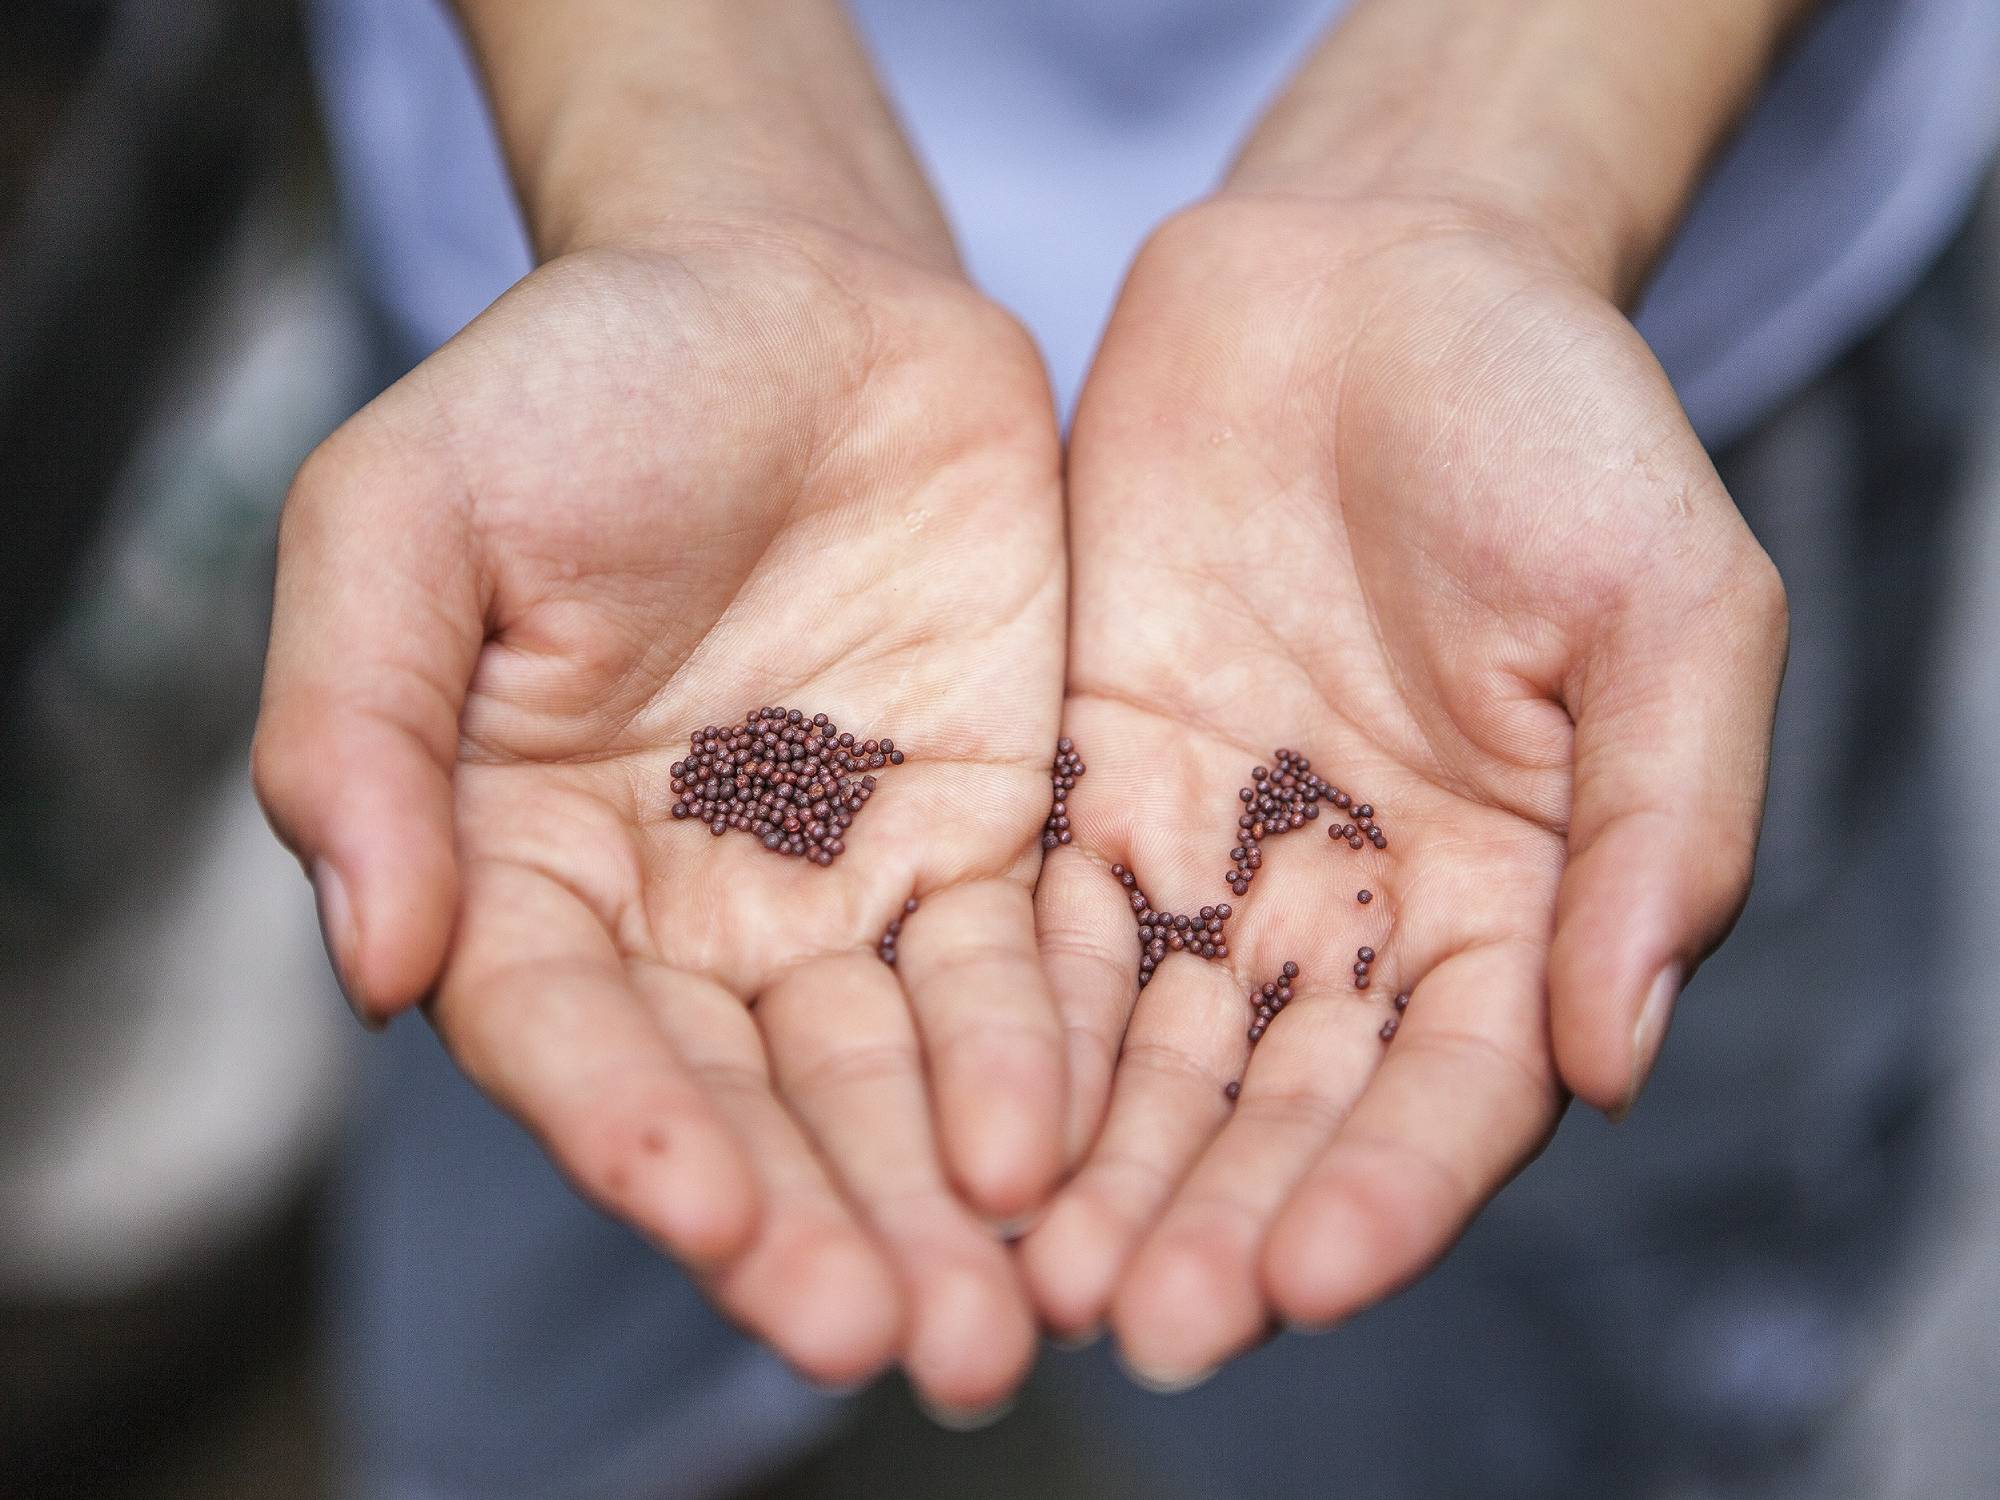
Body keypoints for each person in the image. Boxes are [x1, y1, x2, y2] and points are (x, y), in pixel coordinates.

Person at [258, 0, 2000, 1494]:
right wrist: (684, 133)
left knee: (1537, 1384)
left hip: (1577, 399)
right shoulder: (683, 692)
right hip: (639, 484)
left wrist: (1483, 142)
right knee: (571, 1267)